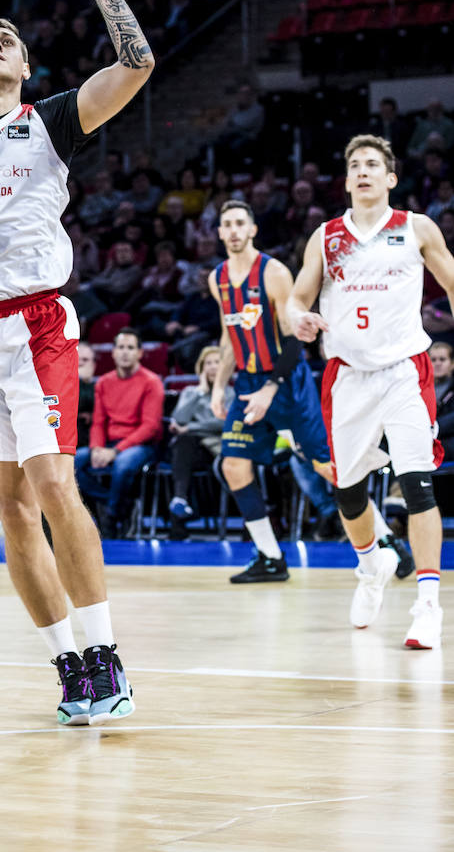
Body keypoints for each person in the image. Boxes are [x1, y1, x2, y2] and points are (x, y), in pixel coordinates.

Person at [0, 0, 153, 725]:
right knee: (11, 511)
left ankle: (105, 653)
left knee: (56, 485)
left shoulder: (51, 120)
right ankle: (66, 664)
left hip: (35, 327)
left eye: (9, 41)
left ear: (25, 67)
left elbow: (136, 64)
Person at [286, 134, 454, 648]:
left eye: (372, 165)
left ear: (390, 178)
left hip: (405, 370)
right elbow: (296, 298)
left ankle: (428, 603)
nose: (362, 172)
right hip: (348, 376)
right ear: (346, 180)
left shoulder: (415, 228)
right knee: (349, 491)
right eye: (354, 165)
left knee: (418, 482)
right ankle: (371, 563)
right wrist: (299, 320)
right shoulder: (326, 236)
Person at [208, 200, 335, 583]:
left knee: (326, 466)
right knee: (232, 464)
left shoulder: (275, 273)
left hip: (287, 380)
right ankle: (270, 556)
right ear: (218, 232)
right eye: (226, 223)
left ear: (252, 230)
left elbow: (295, 337)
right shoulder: (218, 279)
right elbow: (229, 337)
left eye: (239, 223)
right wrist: (217, 386)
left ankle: (384, 541)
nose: (232, 230)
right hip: (247, 383)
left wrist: (270, 387)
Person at [78, 328, 164, 539]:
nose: (125, 352)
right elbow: (98, 422)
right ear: (113, 352)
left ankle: (111, 519)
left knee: (123, 464)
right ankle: (116, 503)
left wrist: (115, 451)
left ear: (140, 353)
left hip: (142, 445)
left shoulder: (151, 382)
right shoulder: (104, 383)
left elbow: (150, 426)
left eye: (130, 348)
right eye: (120, 347)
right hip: (109, 443)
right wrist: (97, 448)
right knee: (71, 463)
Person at [167, 345, 230, 539]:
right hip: (194, 451)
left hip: (219, 449)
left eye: (216, 363)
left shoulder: (230, 393)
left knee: (185, 437)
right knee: (183, 442)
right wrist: (200, 392)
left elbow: (223, 422)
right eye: (208, 363)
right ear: (201, 369)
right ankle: (180, 501)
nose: (212, 367)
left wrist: (191, 428)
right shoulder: (190, 392)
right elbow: (179, 419)